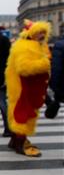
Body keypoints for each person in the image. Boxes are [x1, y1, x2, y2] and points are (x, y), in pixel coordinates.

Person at [5, 20, 52, 157]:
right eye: (39, 32)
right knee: (23, 115)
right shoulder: (26, 46)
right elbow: (24, 68)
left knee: (21, 113)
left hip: (27, 86)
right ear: (31, 33)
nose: (42, 35)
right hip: (23, 87)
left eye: (44, 32)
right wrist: (44, 63)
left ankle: (15, 141)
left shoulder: (35, 45)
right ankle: (20, 144)